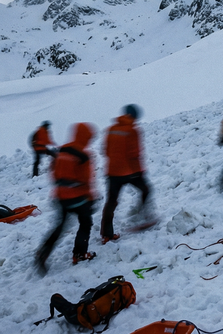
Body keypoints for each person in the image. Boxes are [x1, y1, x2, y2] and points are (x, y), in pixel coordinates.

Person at [35, 123, 98, 273]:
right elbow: (87, 180)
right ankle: (80, 254)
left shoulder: (62, 150)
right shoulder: (83, 155)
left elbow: (53, 172)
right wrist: (90, 197)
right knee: (85, 223)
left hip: (60, 196)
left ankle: (43, 253)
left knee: (60, 226)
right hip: (78, 198)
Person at [101, 104, 154, 243]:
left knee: (111, 202)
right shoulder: (133, 130)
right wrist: (140, 172)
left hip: (112, 172)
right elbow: (135, 154)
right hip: (130, 171)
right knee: (146, 190)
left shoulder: (111, 129)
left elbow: (105, 151)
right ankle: (143, 217)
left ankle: (106, 234)